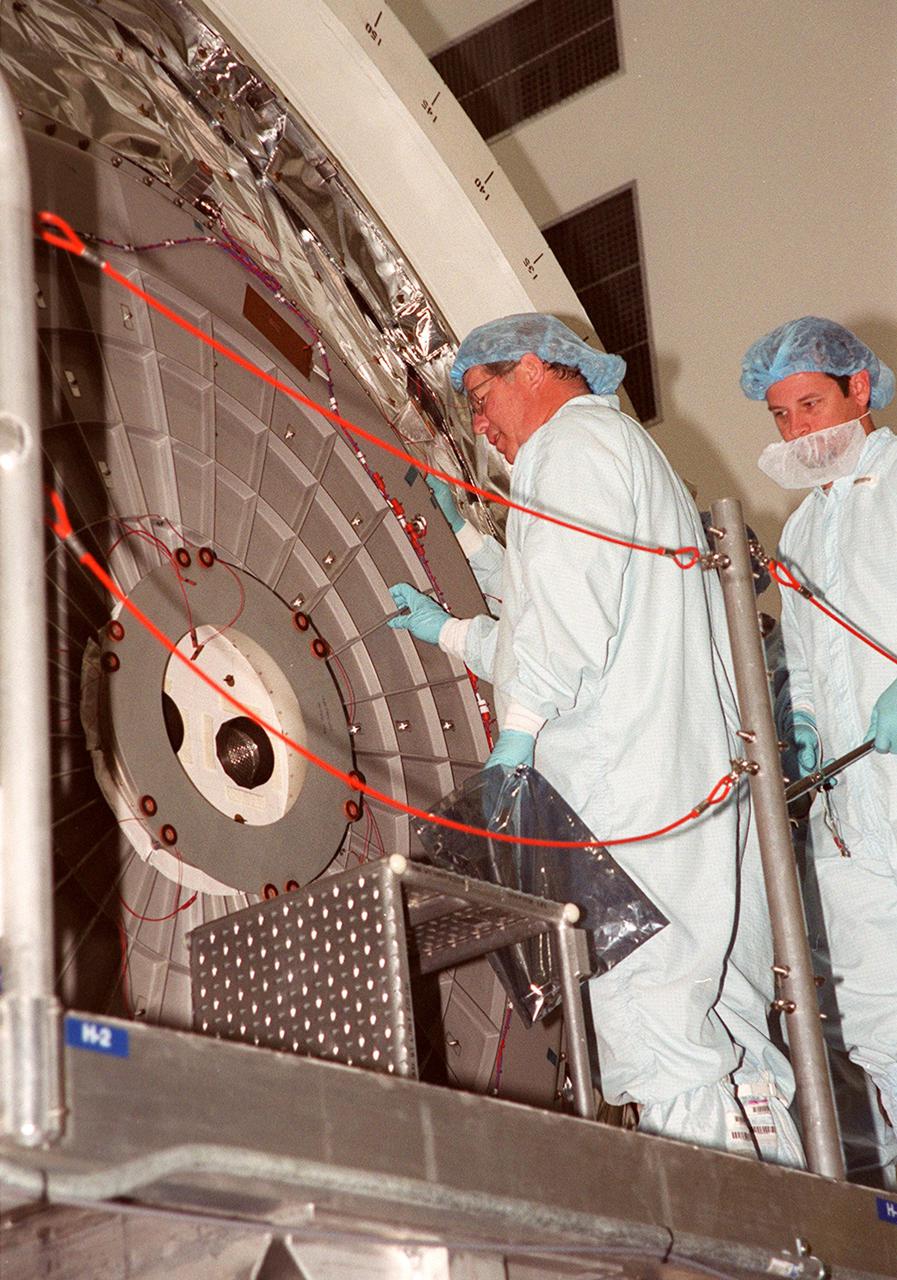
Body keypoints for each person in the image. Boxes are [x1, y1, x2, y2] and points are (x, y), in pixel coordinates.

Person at [389, 313, 804, 1164]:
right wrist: (472, 557)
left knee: (651, 1024)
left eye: (480, 395)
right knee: (723, 1020)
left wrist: (516, 734)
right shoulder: (624, 452)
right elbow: (574, 593)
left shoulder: (565, 450)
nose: (480, 425)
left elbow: (563, 622)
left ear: (537, 367)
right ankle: (791, 1217)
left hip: (629, 795)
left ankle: (721, 1241)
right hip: (689, 784)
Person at [740, 315, 897, 1172]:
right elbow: (801, 659)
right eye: (781, 415)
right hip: (850, 810)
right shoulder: (799, 534)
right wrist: (797, 726)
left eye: (810, 405)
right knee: (878, 1024)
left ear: (859, 389)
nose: (798, 431)